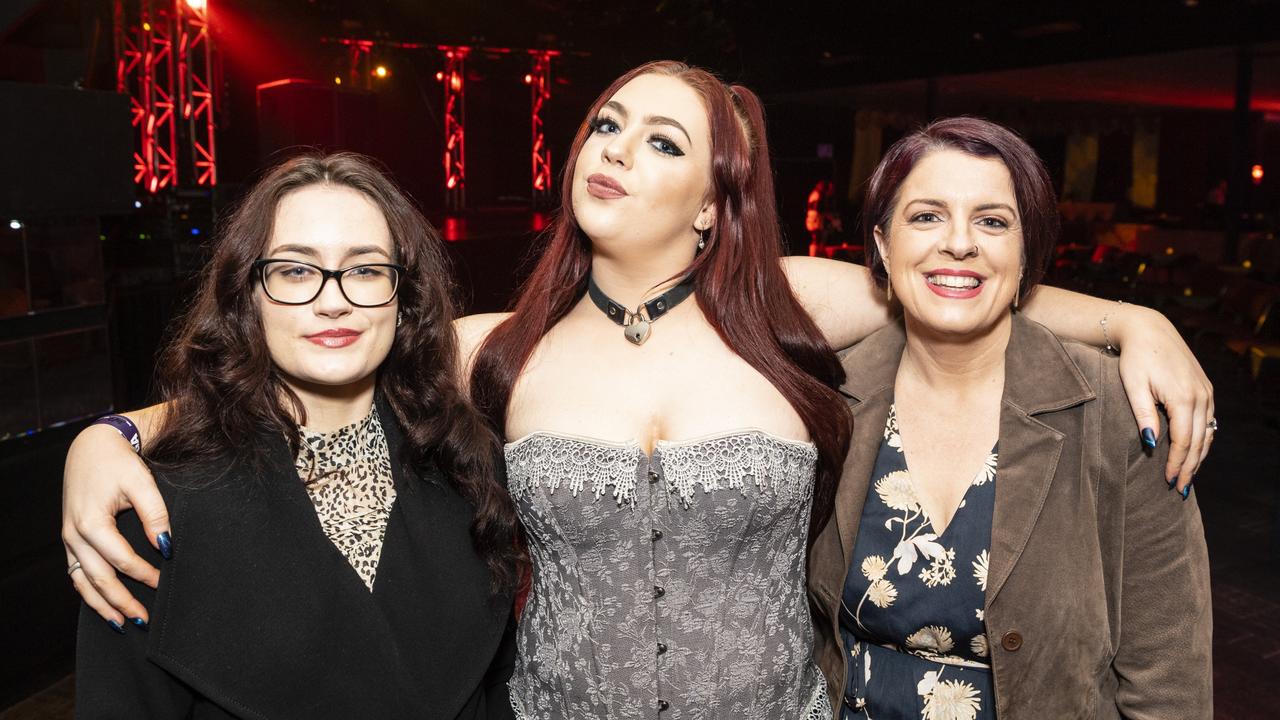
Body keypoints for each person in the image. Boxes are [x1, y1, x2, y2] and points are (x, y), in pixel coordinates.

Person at [64, 63, 1213, 718]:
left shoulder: (789, 308)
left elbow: (957, 278)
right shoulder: (502, 345)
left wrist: (1133, 321)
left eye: (661, 141)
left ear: (713, 200)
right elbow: (306, 351)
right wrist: (112, 434)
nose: (612, 147)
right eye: (605, 123)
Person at [73, 153, 520, 719]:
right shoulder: (152, 508)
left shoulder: (471, 468)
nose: (333, 301)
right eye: (295, 271)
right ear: (248, 296)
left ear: (403, 300)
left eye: (364, 270)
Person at [807, 118, 1212, 719]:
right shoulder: (825, 401)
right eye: (926, 216)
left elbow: (1169, 673)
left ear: (1028, 255)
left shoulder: (1117, 411)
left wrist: (1139, 322)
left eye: (993, 221)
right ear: (883, 245)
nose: (960, 242)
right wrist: (1135, 319)